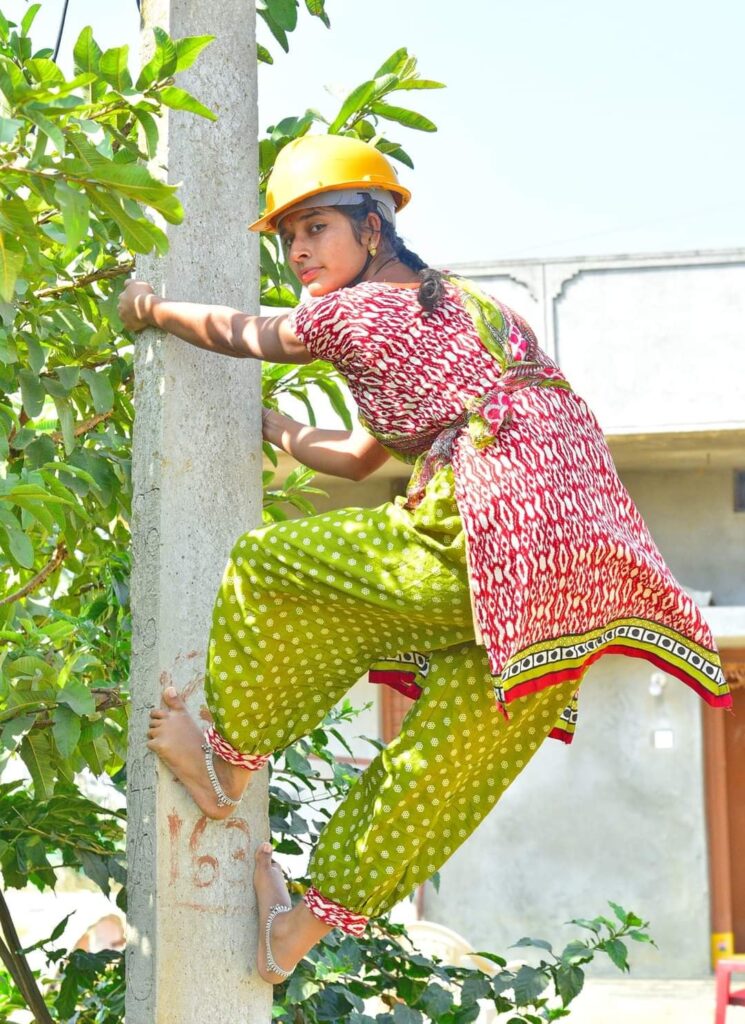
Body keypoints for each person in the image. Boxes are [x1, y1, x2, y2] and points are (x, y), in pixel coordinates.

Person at [118, 134, 730, 984]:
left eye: (315, 228)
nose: (298, 252)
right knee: (438, 766)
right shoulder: (468, 312)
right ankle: (292, 936)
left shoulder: (356, 313)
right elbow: (358, 459)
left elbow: (251, 333)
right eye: (287, 237)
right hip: (582, 569)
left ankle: (227, 763)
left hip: (500, 530)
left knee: (270, 565)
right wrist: (280, 430)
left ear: (373, 227)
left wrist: (153, 311)